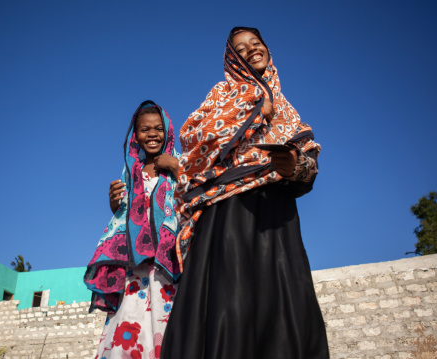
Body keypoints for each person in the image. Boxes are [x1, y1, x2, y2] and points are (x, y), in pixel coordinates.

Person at [160, 27, 329, 358]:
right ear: (233, 59)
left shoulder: (286, 108)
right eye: (241, 48)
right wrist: (250, 109)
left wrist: (294, 164)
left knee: (285, 302)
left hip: (278, 217)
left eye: (256, 43)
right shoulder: (223, 92)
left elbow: (308, 165)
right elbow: (193, 136)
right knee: (230, 302)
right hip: (229, 213)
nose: (251, 50)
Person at [84, 100, 181, 359]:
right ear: (135, 135)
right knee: (130, 321)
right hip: (133, 266)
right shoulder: (130, 172)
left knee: (165, 320)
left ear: (168, 131)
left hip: (166, 263)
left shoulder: (178, 163)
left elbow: (198, 192)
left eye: (158, 128)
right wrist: (114, 202)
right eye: (145, 129)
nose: (152, 134)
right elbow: (124, 215)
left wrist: (176, 168)